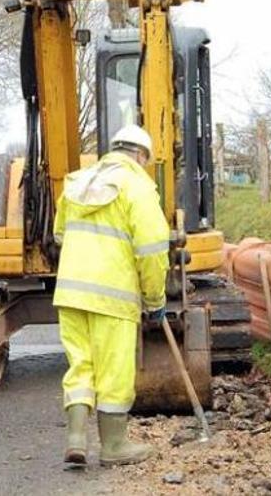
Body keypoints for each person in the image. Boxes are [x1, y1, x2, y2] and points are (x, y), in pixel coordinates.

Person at [52, 124, 170, 466]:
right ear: (141, 155)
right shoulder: (137, 186)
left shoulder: (77, 182)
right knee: (114, 371)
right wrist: (155, 299)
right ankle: (114, 446)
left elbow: (60, 235)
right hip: (112, 297)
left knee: (80, 365)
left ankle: (76, 439)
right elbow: (151, 251)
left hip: (71, 293)